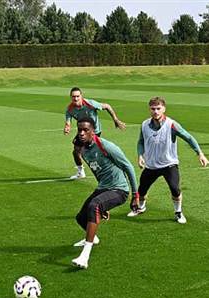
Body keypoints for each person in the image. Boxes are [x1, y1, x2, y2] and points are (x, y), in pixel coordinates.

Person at [127, 96, 209, 224]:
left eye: (158, 108)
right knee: (142, 189)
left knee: (175, 189)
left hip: (169, 164)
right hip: (151, 165)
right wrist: (140, 155)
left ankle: (178, 212)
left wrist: (200, 154)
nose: (156, 111)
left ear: (164, 109)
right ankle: (141, 208)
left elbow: (188, 137)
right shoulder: (144, 125)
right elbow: (141, 142)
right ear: (149, 109)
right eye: (153, 109)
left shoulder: (171, 125)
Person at [71, 117, 139, 269]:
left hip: (119, 190)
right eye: (79, 130)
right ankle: (93, 238)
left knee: (94, 206)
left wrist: (135, 195)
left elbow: (129, 167)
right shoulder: (84, 149)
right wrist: (104, 202)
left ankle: (85, 255)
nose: (81, 133)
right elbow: (97, 172)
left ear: (92, 131)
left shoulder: (106, 146)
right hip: (104, 188)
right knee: (80, 217)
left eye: (85, 130)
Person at [64, 87, 126, 179]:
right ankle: (81, 172)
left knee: (97, 152)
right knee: (76, 151)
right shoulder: (70, 109)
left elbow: (107, 106)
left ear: (81, 96)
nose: (76, 99)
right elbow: (68, 121)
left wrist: (115, 120)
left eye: (77, 96)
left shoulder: (90, 104)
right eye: (73, 97)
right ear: (71, 97)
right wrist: (67, 127)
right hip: (83, 132)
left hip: (94, 132)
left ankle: (117, 168)